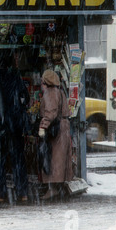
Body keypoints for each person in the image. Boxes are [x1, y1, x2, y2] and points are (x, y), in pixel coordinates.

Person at [0, 50, 30, 203]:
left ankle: (0, 194)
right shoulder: (16, 77)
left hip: (1, 124)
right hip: (15, 124)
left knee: (0, 160)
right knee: (18, 159)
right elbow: (25, 98)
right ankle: (22, 193)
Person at [38, 69, 73, 199]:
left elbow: (51, 112)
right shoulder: (59, 91)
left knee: (52, 159)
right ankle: (59, 188)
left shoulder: (50, 93)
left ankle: (52, 189)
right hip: (62, 127)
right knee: (61, 159)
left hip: (55, 129)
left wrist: (43, 126)